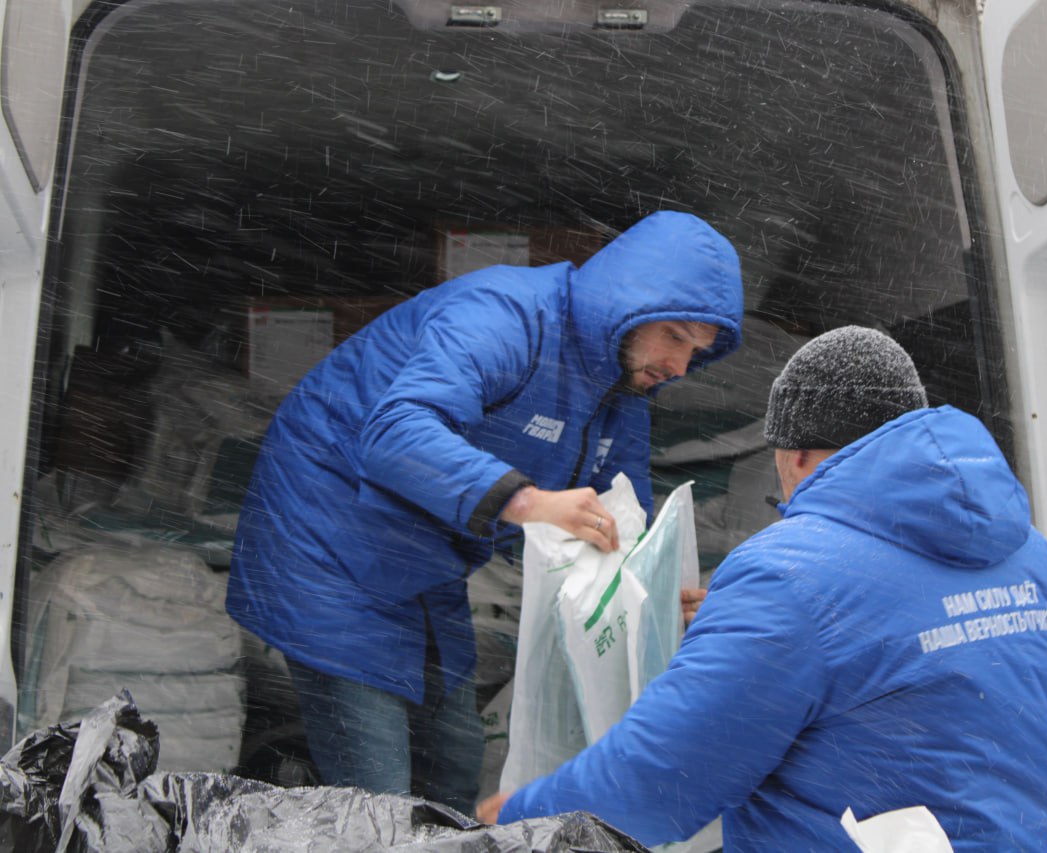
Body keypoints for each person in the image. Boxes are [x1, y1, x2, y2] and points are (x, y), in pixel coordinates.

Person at [481, 325, 1047, 851]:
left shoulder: (788, 574)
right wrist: (756, 634)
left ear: (794, 456)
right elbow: (929, 674)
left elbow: (663, 782)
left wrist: (519, 815)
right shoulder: (1034, 555)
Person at [225, 210, 744, 811]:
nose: (679, 366)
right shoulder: (506, 315)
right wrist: (529, 502)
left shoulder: (622, 385)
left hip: (427, 553)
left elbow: (620, 511)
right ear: (628, 302)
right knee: (376, 789)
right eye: (674, 336)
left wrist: (653, 590)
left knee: (451, 765)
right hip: (325, 533)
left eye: (696, 351)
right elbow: (397, 432)